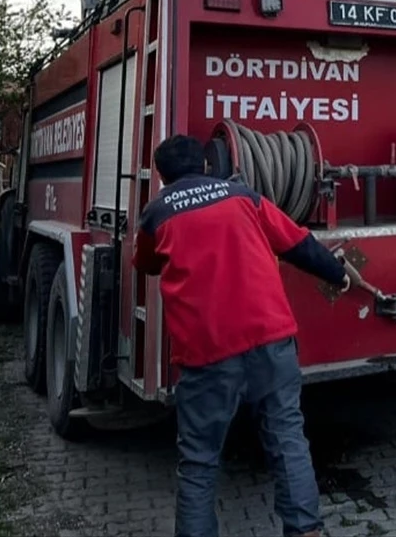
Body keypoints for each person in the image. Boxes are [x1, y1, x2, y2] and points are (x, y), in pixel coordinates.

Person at [133, 134, 350, 537]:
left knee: (199, 460)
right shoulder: (244, 197)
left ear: (162, 176)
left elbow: (144, 263)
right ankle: (306, 531)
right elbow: (298, 242)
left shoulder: (156, 213)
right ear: (206, 165)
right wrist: (337, 274)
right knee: (287, 438)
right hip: (271, 340)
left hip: (208, 354)